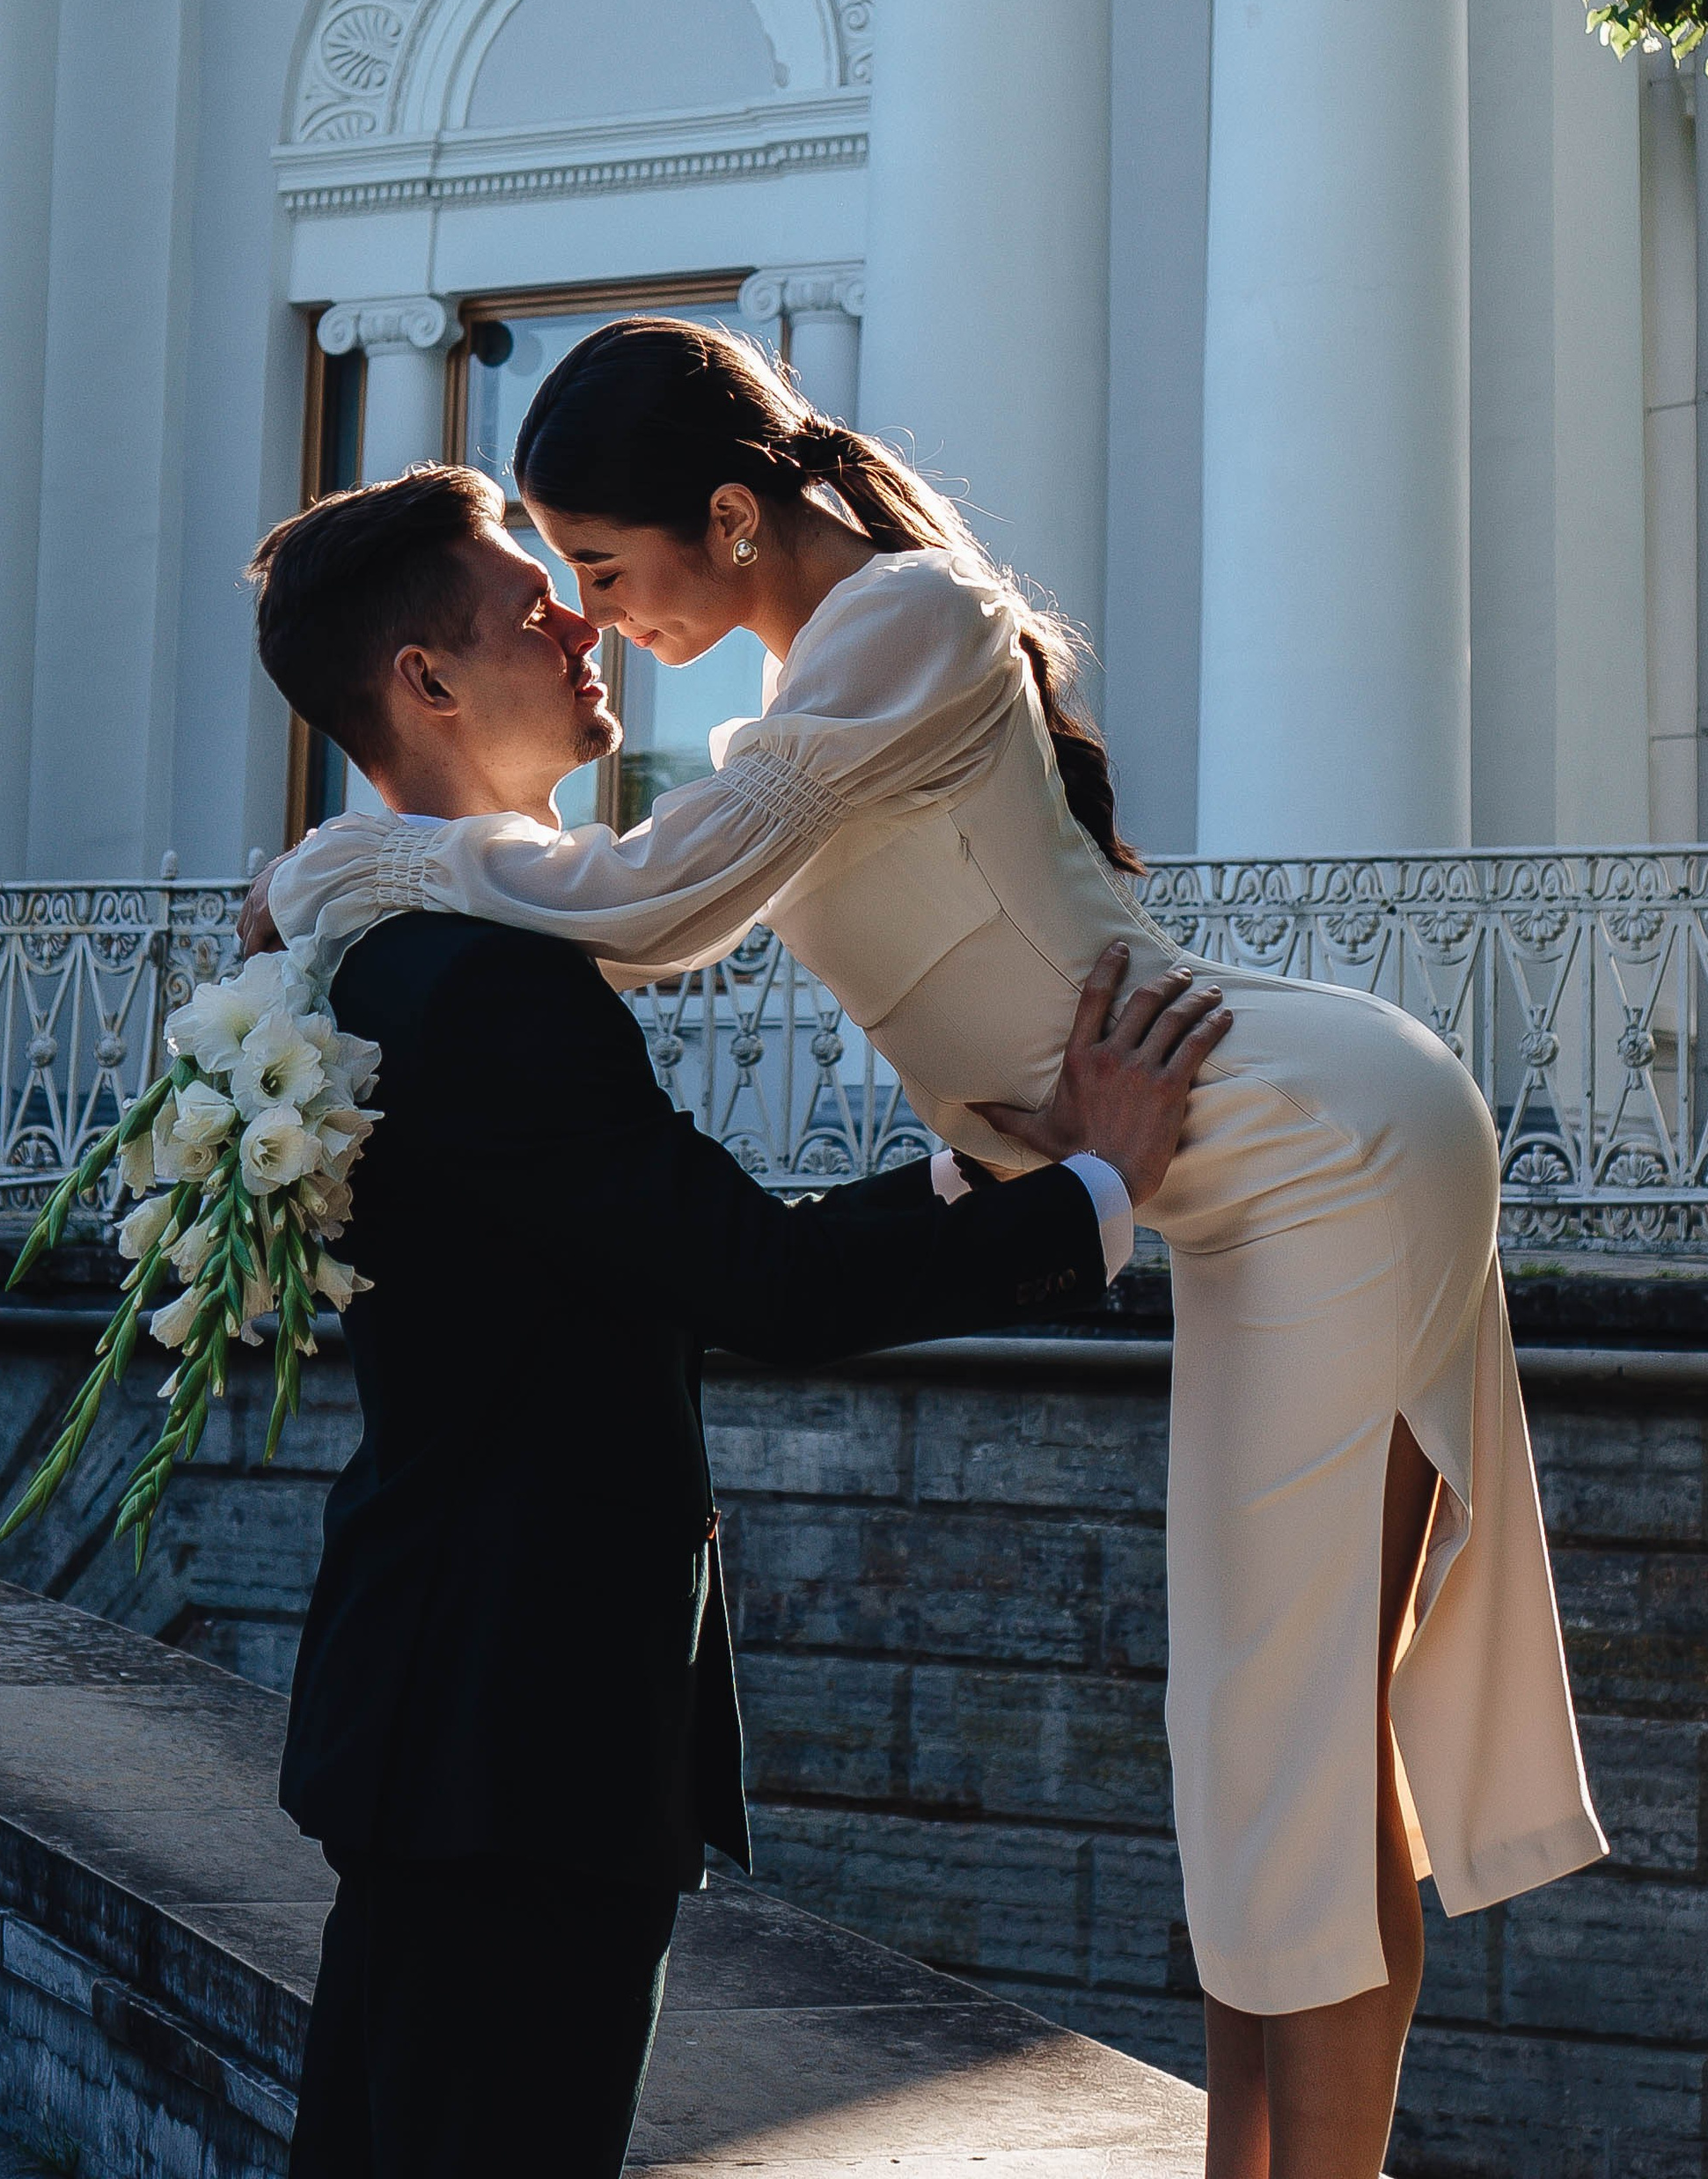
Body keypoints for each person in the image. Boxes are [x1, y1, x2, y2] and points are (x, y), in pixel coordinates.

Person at [262, 319, 1609, 2179]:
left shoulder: (902, 616)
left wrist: (357, 864)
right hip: (1210, 1159)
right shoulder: (810, 694)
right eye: (554, 587)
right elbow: (732, 945)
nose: (593, 618)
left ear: (729, 517)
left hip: (1309, 1138)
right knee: (1237, 1734)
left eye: (602, 568)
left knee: (1291, 1734)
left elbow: (649, 910)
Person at [248, 466, 1229, 2179]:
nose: (587, 621)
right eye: (532, 603)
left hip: (461, 1709)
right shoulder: (476, 982)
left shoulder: (387, 940)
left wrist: (967, 1179)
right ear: (423, 681)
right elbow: (750, 1281)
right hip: (515, 1727)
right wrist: (1086, 1196)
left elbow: (635, 1254)